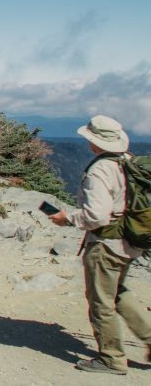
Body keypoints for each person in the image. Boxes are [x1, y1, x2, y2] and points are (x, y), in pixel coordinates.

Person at [48, 114, 151, 375]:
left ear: (95, 142)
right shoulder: (128, 162)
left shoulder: (100, 170)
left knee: (100, 301)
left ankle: (111, 358)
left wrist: (67, 218)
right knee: (117, 292)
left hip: (106, 244)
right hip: (130, 239)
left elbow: (97, 215)